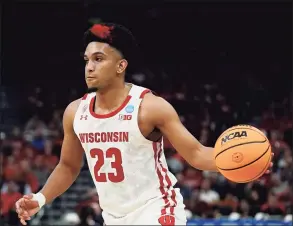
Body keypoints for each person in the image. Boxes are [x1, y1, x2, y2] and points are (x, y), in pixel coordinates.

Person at [15, 23, 273, 225]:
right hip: (113, 217)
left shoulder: (149, 107)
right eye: (86, 60)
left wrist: (242, 162)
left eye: (98, 59)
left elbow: (195, 154)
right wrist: (40, 198)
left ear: (120, 66)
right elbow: (68, 166)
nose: (89, 67)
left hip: (157, 209)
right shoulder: (75, 112)